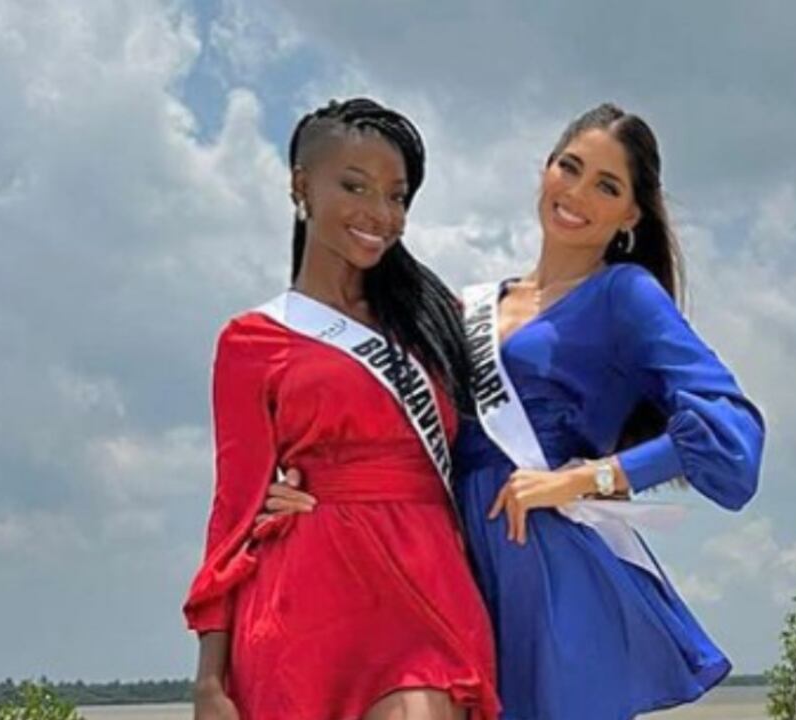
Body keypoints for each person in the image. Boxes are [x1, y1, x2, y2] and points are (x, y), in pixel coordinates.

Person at [265, 102, 765, 720]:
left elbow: (729, 426)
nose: (577, 192)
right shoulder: (467, 304)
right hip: (455, 563)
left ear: (631, 215)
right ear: (546, 168)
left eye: (606, 186)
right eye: (570, 167)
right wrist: (296, 481)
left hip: (548, 563)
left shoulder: (624, 295)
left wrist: (586, 479)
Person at [184, 98, 499, 720]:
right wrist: (209, 682)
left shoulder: (438, 324)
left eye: (397, 196)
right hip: (308, 596)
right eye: (355, 187)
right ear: (302, 187)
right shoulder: (252, 341)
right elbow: (234, 508)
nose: (380, 213)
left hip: (429, 583)